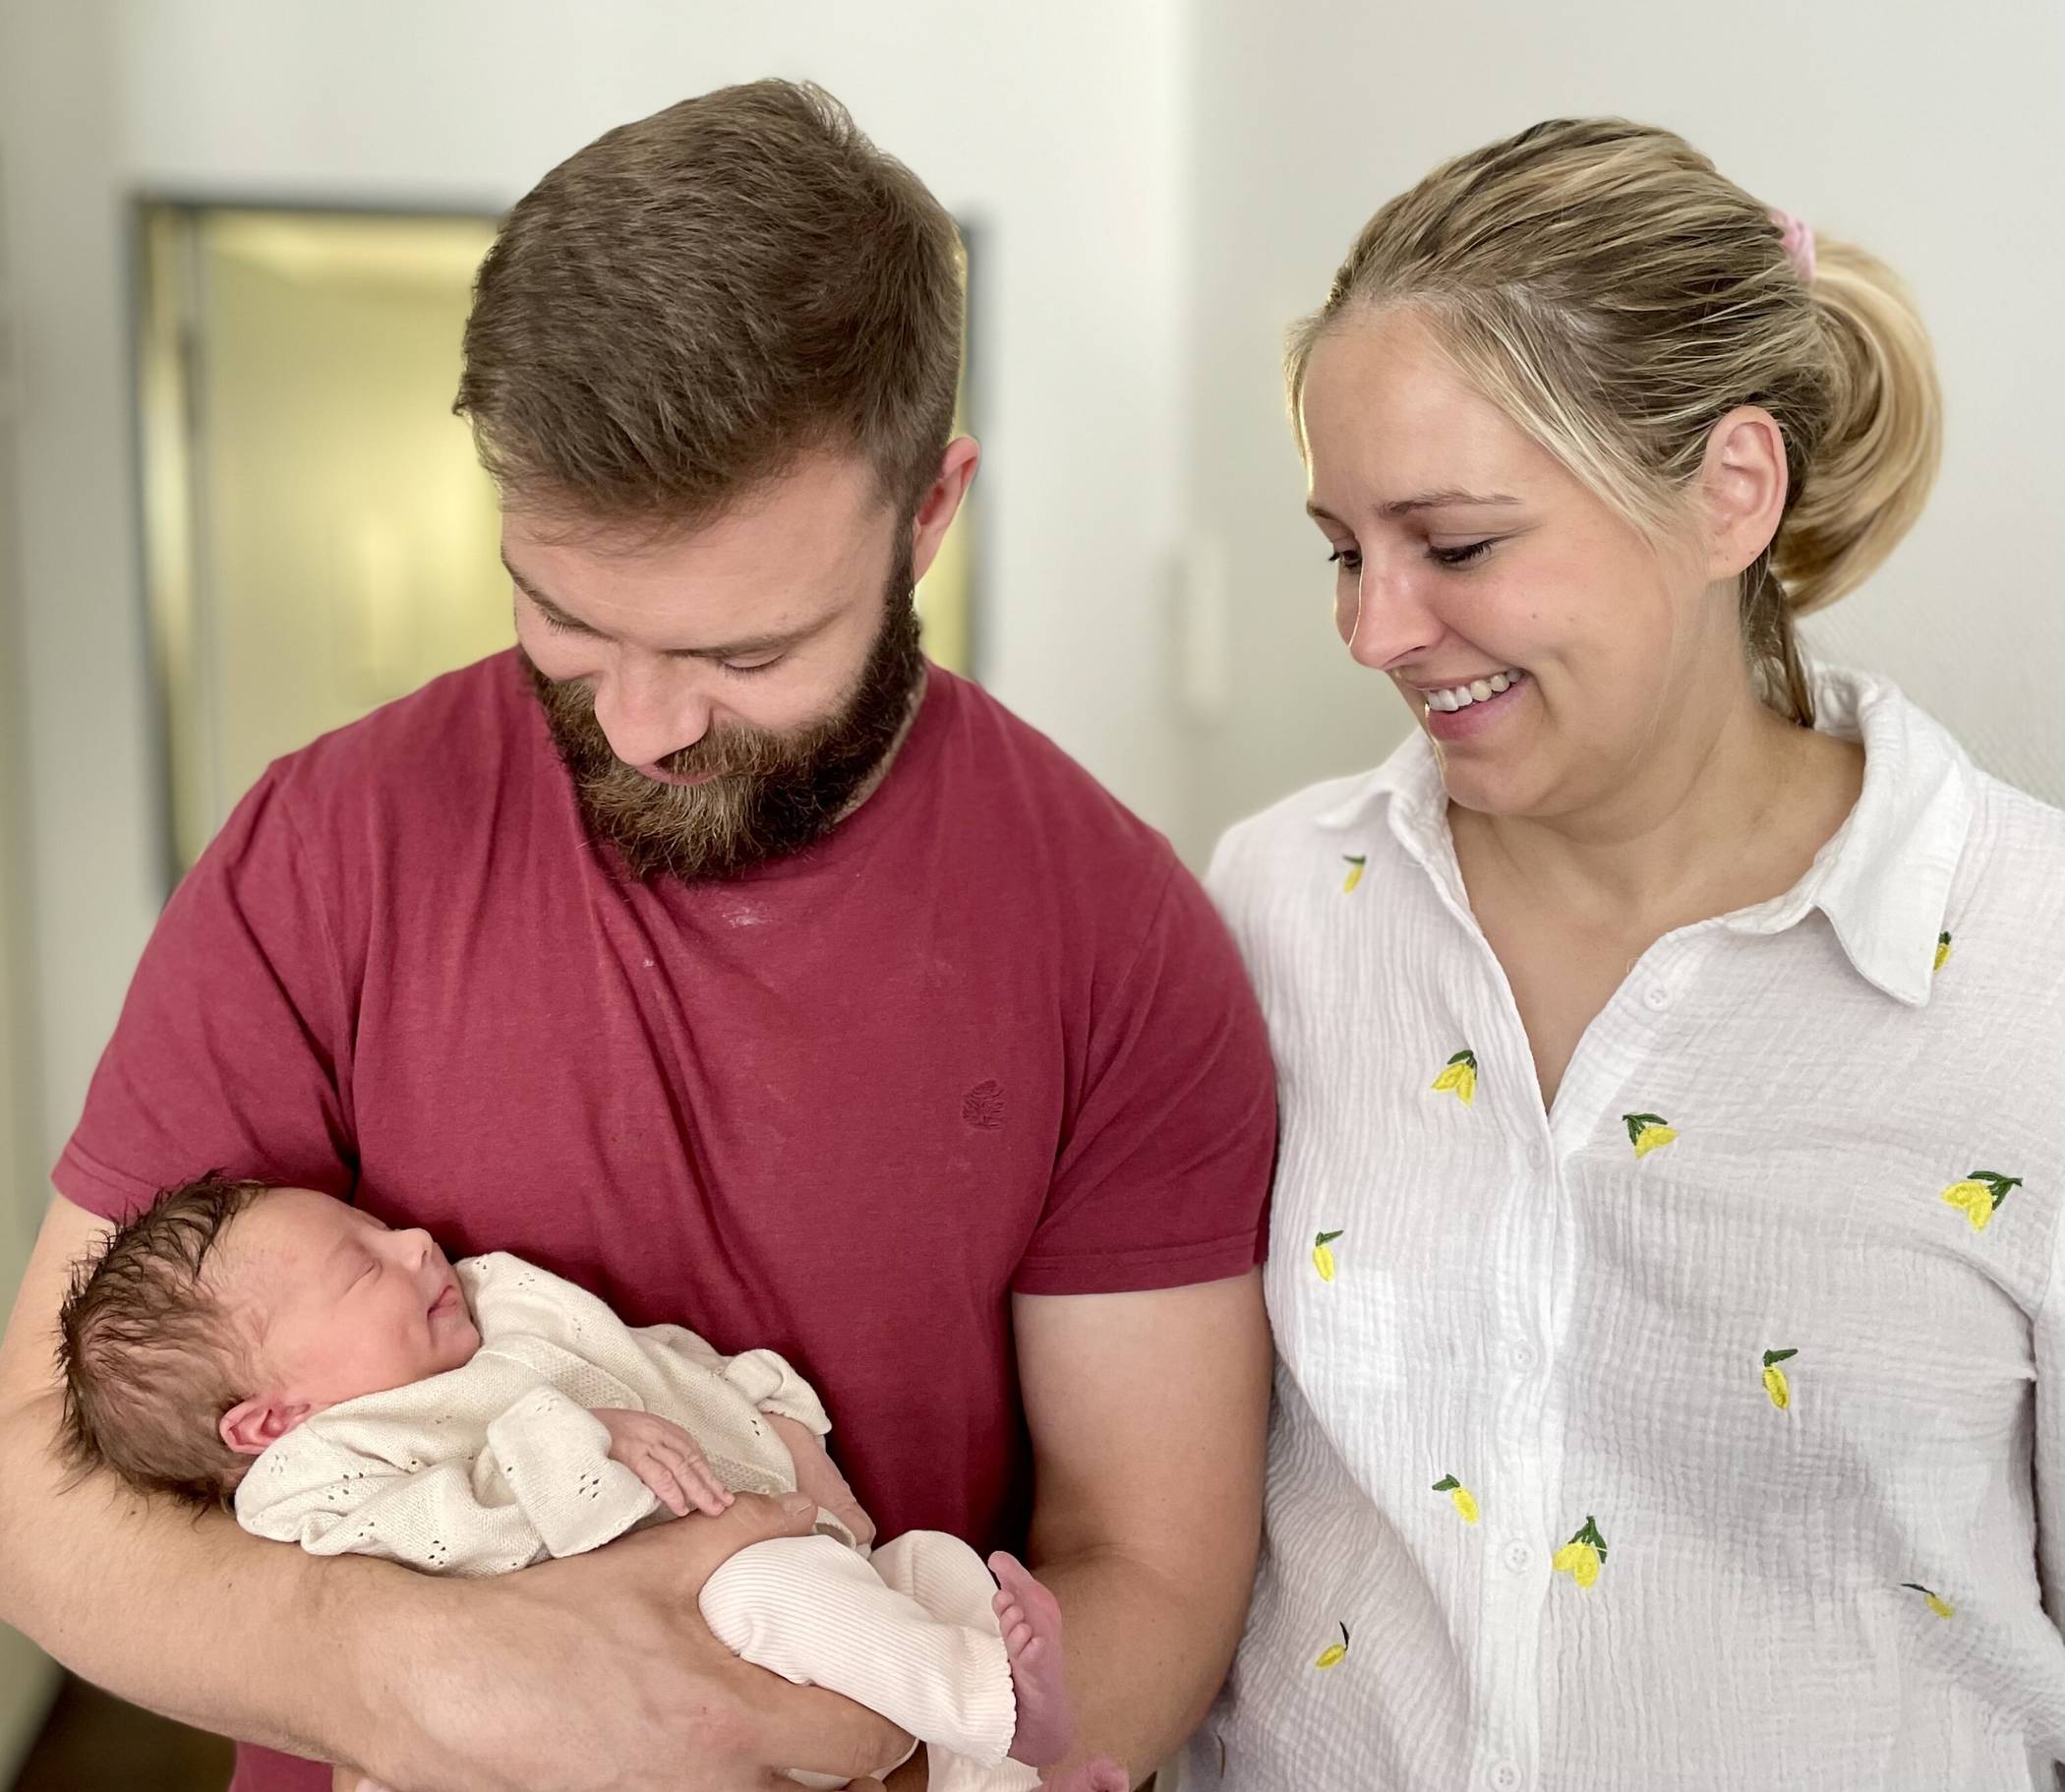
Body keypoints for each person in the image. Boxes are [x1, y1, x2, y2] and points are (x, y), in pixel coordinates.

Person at [0, 80, 1276, 1792]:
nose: (652, 724)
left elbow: (1155, 1569)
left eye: (746, 654)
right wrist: (416, 1676)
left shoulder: (1122, 941)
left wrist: (831, 1758)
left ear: (928, 511)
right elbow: (37, 1481)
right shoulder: (327, 847)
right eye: (569, 623)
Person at [1184, 118, 2064, 1790]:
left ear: (1731, 489)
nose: (1375, 628)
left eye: (1454, 544)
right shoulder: (1278, 905)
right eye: (1342, 550)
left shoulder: (2034, 967)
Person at [57, 1177, 1130, 1792]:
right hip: (666, 1644)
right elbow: (445, 1530)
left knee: (928, 1568)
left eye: (382, 1229)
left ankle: (1010, 1765)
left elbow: (656, 1362)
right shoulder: (315, 1474)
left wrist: (780, 1423)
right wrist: (568, 1433)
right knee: (779, 1594)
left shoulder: (495, 1318)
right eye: (362, 1264)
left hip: (785, 1575)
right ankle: (1001, 1710)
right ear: (268, 1418)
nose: (415, 1242)